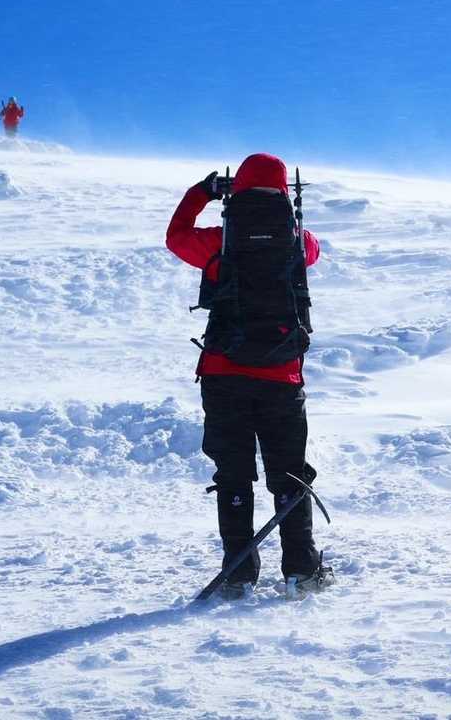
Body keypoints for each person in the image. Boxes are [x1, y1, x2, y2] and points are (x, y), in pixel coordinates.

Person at [165, 152, 332, 598]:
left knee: (234, 474)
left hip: (224, 375)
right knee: (289, 473)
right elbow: (314, 249)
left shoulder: (220, 243)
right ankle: (301, 570)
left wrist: (203, 192)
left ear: (236, 188)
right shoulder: (298, 241)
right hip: (282, 378)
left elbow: (176, 237)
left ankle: (238, 574)